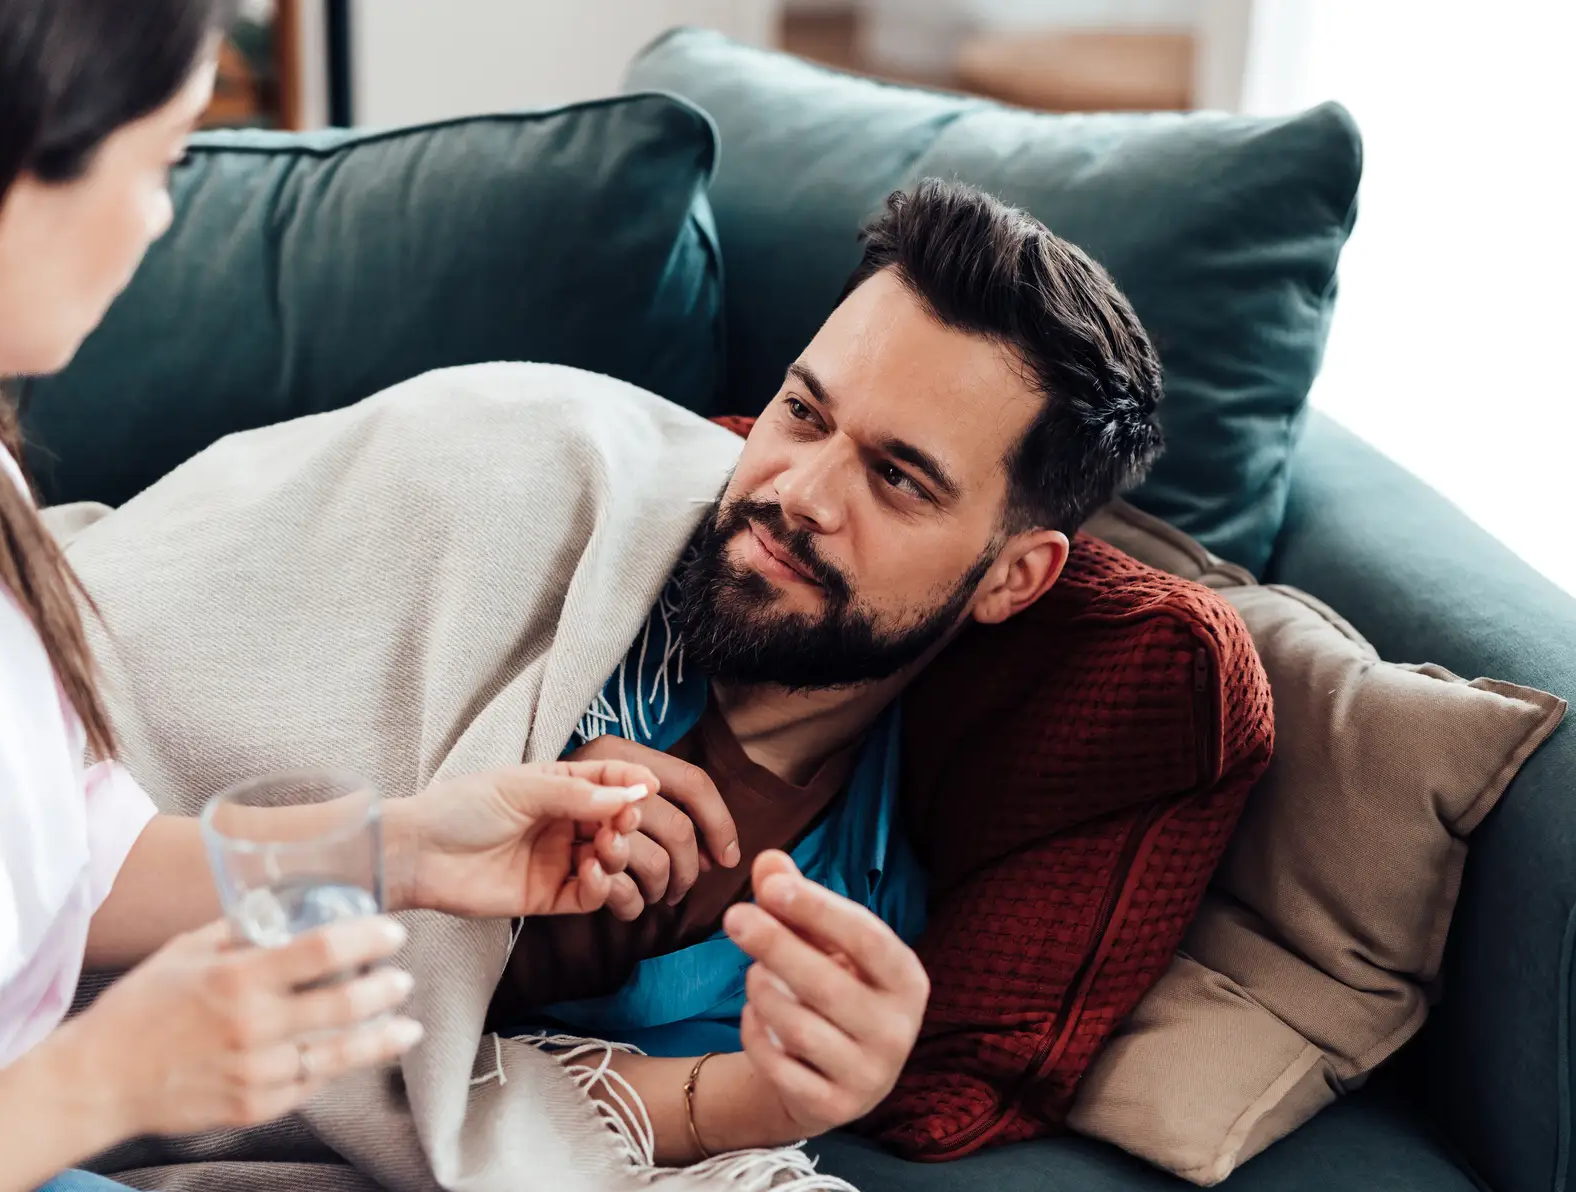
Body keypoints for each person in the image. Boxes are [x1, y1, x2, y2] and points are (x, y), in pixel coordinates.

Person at [0, 4, 662, 1191]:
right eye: (164, 162)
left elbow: (76, 871)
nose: (161, 218)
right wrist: (100, 1082)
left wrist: (409, 845)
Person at [484, 178, 1168, 1163]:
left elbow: (532, 1119)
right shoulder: (563, 552)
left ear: (1013, 578)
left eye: (895, 475)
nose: (796, 492)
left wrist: (780, 1094)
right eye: (803, 412)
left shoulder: (850, 929)